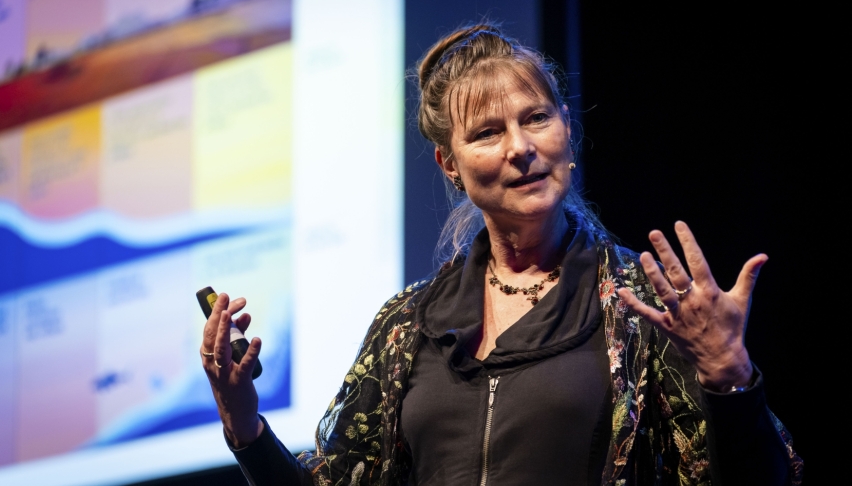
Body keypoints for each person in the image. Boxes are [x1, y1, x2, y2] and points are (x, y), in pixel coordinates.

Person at [200, 24, 803, 485]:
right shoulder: (406, 327)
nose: (520, 148)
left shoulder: (644, 306)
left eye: (537, 118)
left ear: (567, 129)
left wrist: (730, 377)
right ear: (450, 166)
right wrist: (244, 422)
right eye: (487, 132)